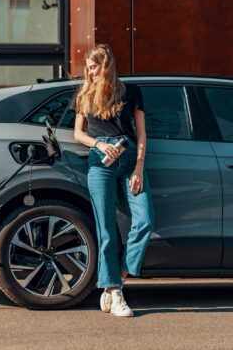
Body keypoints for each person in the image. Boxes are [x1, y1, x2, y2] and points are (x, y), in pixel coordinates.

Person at [74, 44, 155, 317]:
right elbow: (78, 134)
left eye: (93, 66)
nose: (89, 71)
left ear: (106, 65)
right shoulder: (85, 94)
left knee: (145, 220)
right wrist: (98, 144)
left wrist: (139, 169)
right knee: (106, 228)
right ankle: (114, 291)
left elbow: (141, 134)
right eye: (88, 67)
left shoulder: (131, 92)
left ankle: (116, 280)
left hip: (130, 159)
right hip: (100, 163)